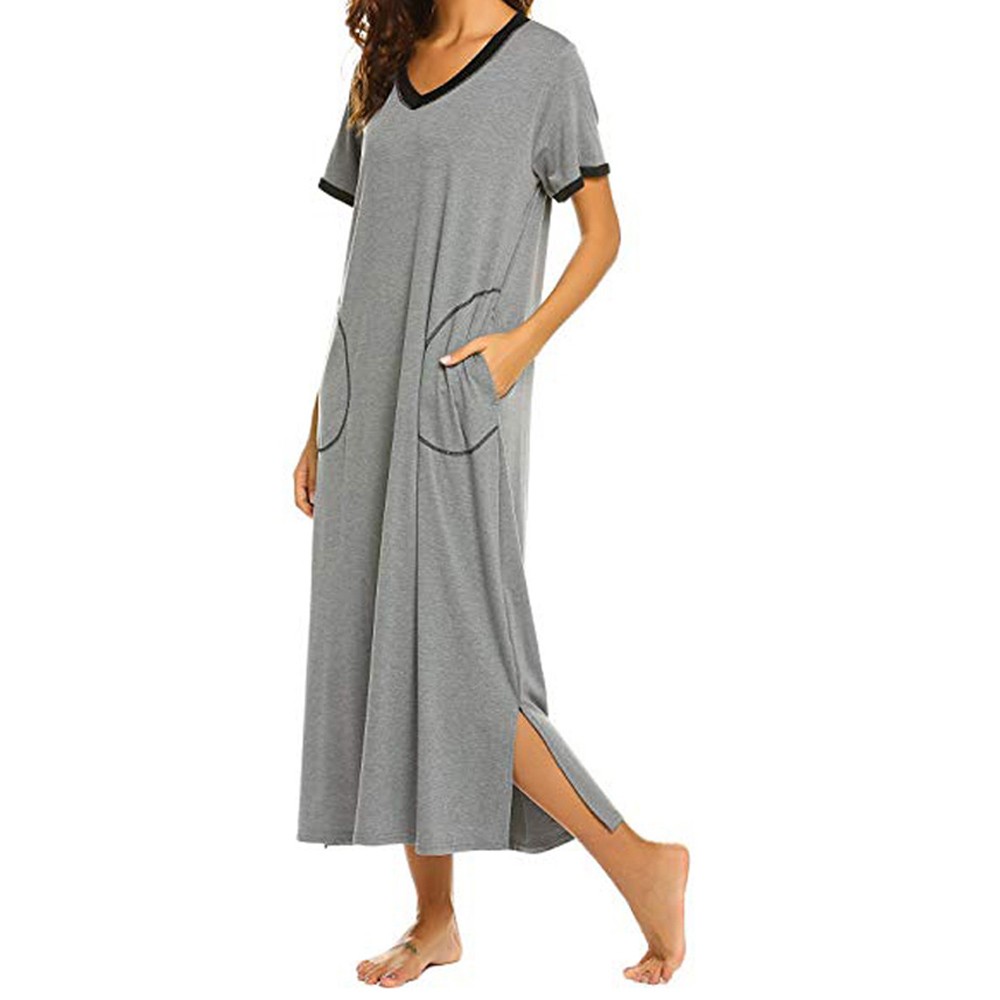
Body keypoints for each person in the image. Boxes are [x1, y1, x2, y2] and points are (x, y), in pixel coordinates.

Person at [293, 0, 688, 987]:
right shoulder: (386, 62)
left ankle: (639, 860)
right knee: (386, 650)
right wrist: (317, 417)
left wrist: (519, 346)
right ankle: (434, 919)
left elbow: (602, 234)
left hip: (459, 396)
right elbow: (364, 263)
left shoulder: (546, 65)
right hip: (361, 401)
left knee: (463, 663)